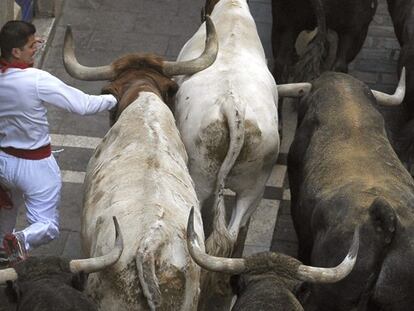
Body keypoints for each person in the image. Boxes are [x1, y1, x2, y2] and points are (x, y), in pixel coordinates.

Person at [0, 20, 117, 264]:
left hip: (3, 163)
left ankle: (4, 249)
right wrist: (113, 98)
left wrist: (31, 45)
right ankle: (21, 239)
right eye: (32, 45)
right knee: (47, 225)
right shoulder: (35, 79)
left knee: (5, 215)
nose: (37, 47)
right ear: (15, 51)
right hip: (36, 167)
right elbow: (83, 105)